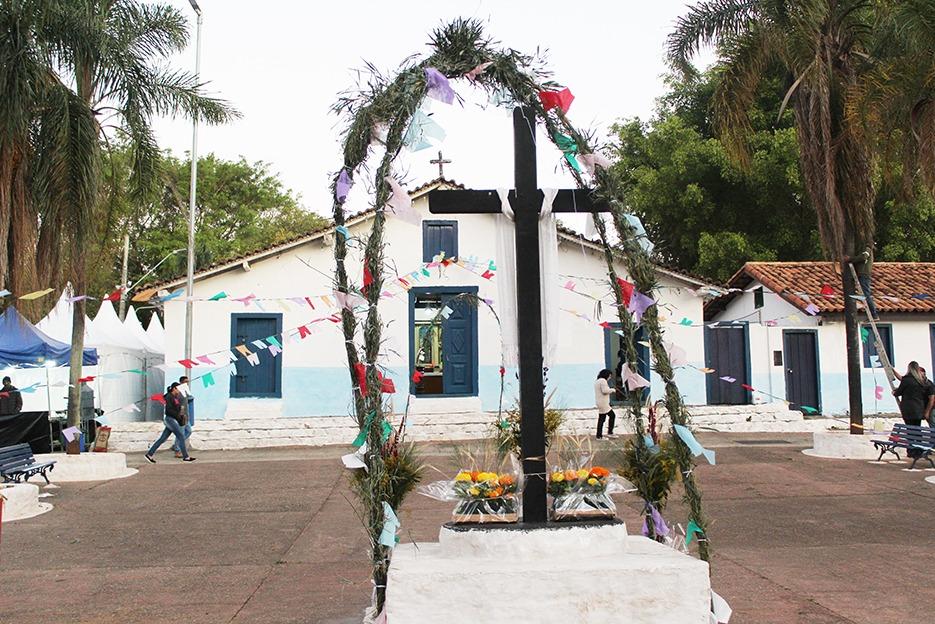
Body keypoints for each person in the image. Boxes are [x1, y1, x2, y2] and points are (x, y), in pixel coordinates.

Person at [892, 362, 935, 459]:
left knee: (910, 429)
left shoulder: (907, 380)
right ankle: (918, 450)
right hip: (919, 408)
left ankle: (911, 450)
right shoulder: (922, 381)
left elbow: (898, 392)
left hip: (908, 409)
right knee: (917, 429)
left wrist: (894, 392)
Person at [145, 383, 196, 463]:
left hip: (173, 420)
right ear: (174, 388)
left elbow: (176, 407)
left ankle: (149, 454)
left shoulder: (174, 397)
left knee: (162, 439)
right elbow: (168, 410)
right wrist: (178, 416)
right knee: (181, 436)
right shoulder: (169, 397)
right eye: (178, 389)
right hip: (170, 420)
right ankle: (186, 457)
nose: (179, 391)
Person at [847, 247, 878, 320]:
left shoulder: (867, 249)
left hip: (864, 274)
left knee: (866, 295)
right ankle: (873, 314)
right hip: (861, 274)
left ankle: (874, 314)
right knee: (864, 294)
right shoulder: (862, 250)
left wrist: (850, 259)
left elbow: (864, 257)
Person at [172, 375, 195, 458]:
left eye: (188, 382)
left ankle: (176, 445)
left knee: (188, 431)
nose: (187, 383)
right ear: (181, 383)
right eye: (185, 382)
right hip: (181, 416)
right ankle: (177, 450)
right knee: (180, 433)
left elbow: (188, 399)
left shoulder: (186, 391)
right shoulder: (178, 392)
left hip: (187, 415)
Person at [594, 369, 616, 439]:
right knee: (612, 415)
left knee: (602, 418)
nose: (609, 378)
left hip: (599, 402)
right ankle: (608, 432)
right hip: (603, 403)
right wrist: (612, 390)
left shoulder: (597, 381)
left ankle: (599, 435)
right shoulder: (603, 381)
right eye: (609, 376)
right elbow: (605, 391)